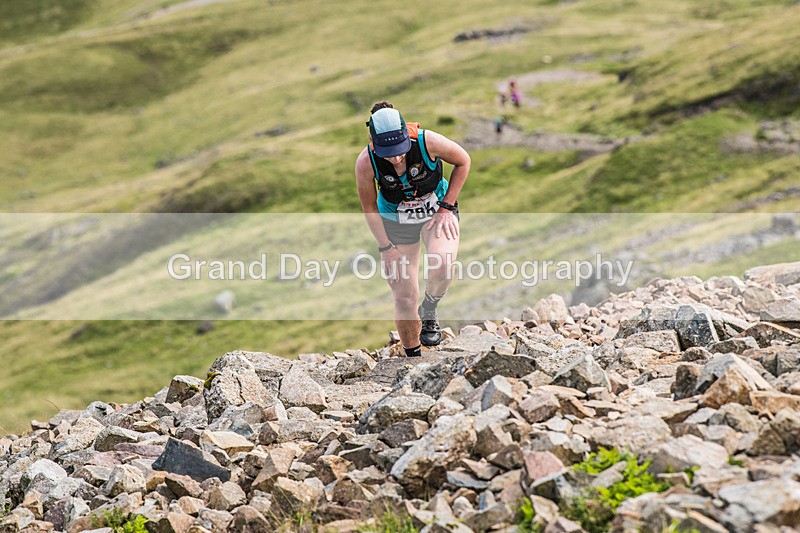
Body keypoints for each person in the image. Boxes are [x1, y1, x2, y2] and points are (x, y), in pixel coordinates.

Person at [355, 101, 470, 357]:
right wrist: (385, 248)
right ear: (374, 143)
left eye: (399, 150)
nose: (395, 158)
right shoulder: (365, 162)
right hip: (396, 221)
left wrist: (446, 206)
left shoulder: (428, 141)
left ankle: (429, 309)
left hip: (436, 212)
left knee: (442, 262)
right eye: (388, 152)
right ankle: (412, 357)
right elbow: (369, 207)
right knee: (404, 293)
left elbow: (463, 161)